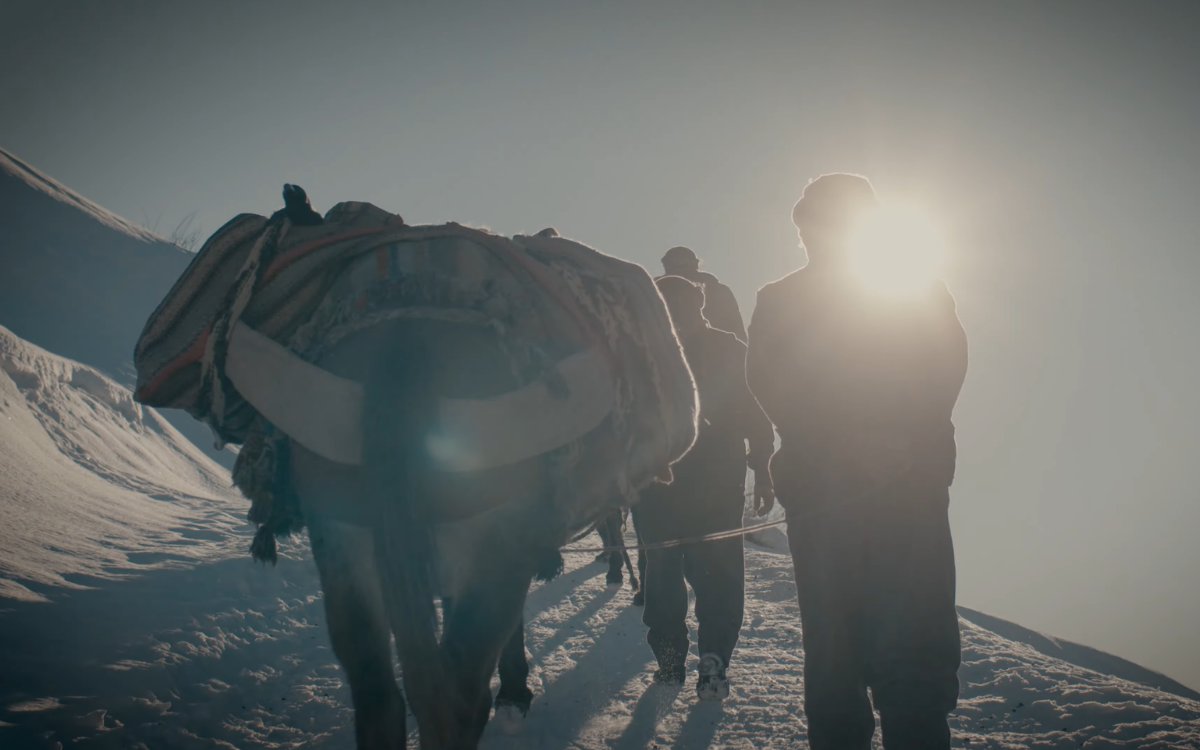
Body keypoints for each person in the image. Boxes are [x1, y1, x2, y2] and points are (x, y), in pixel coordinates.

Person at [746, 173, 968, 750]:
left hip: (867, 490)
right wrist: (887, 444)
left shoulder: (906, 289)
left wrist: (884, 444)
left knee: (850, 649)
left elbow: (943, 369)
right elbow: (943, 368)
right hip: (867, 490)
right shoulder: (913, 287)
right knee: (871, 647)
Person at [635, 275, 775, 701]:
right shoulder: (728, 349)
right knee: (717, 577)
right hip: (708, 485)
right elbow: (759, 417)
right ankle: (710, 659)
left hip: (661, 487)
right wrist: (763, 469)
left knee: (663, 577)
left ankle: (673, 661)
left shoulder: (644, 353)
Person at [659, 246, 747, 343]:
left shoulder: (657, 291)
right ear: (696, 264)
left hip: (668, 350)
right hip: (722, 349)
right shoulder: (720, 290)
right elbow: (738, 330)